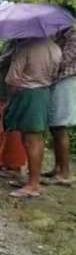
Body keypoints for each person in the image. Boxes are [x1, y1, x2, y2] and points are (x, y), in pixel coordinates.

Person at [3, 37, 62, 197]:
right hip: (44, 92)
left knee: (31, 140)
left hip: (28, 94)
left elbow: (12, 79)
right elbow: (56, 73)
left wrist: (10, 100)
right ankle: (32, 179)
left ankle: (33, 184)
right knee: (36, 138)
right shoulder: (55, 48)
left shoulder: (26, 47)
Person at [0, 40, 27, 175]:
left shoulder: (19, 44)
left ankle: (8, 162)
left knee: (7, 127)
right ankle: (2, 159)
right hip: (6, 89)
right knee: (2, 125)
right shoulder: (10, 42)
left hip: (10, 90)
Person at [42, 26, 76, 187]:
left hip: (66, 82)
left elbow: (62, 62)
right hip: (56, 83)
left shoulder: (73, 39)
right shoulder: (58, 37)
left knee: (60, 127)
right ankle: (57, 168)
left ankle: (65, 173)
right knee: (54, 127)